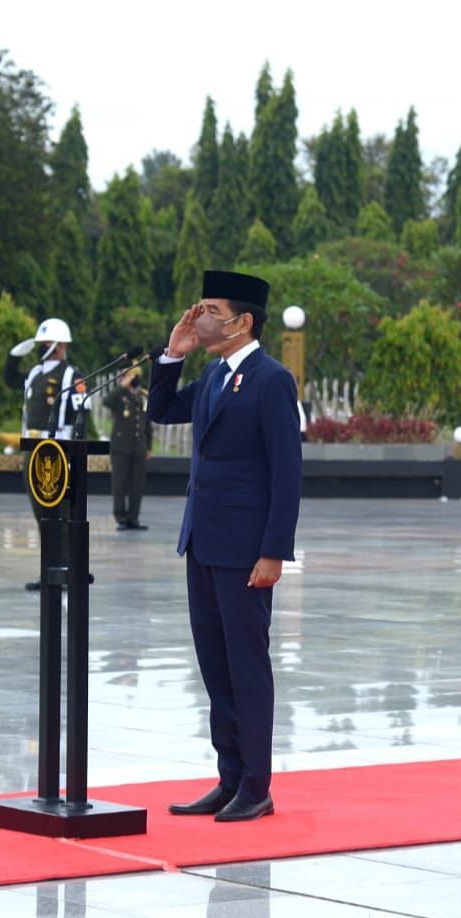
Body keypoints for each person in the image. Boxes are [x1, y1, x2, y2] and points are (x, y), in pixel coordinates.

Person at [148, 270, 302, 823]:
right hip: (203, 542)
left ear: (242, 322)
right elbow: (162, 411)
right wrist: (173, 354)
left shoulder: (271, 379)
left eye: (211, 309)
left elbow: (288, 473)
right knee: (215, 667)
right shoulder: (214, 374)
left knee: (247, 667)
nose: (201, 316)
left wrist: (274, 552)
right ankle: (229, 778)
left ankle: (256, 787)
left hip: (245, 550)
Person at [8, 318, 84, 591]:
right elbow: (9, 378)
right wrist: (15, 353)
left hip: (57, 450)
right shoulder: (35, 373)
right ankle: (48, 570)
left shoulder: (70, 375)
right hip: (33, 448)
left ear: (59, 346)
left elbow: (79, 412)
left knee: (59, 513)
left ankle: (62, 569)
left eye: (45, 344)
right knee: (41, 513)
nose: (41, 348)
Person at [102, 363, 153, 531]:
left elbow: (147, 423)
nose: (133, 379)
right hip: (121, 446)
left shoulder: (142, 395)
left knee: (137, 485)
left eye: (134, 376)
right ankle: (120, 518)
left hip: (139, 446)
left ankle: (133, 518)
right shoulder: (119, 395)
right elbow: (106, 401)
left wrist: (149, 446)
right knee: (120, 483)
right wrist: (121, 387)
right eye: (129, 376)